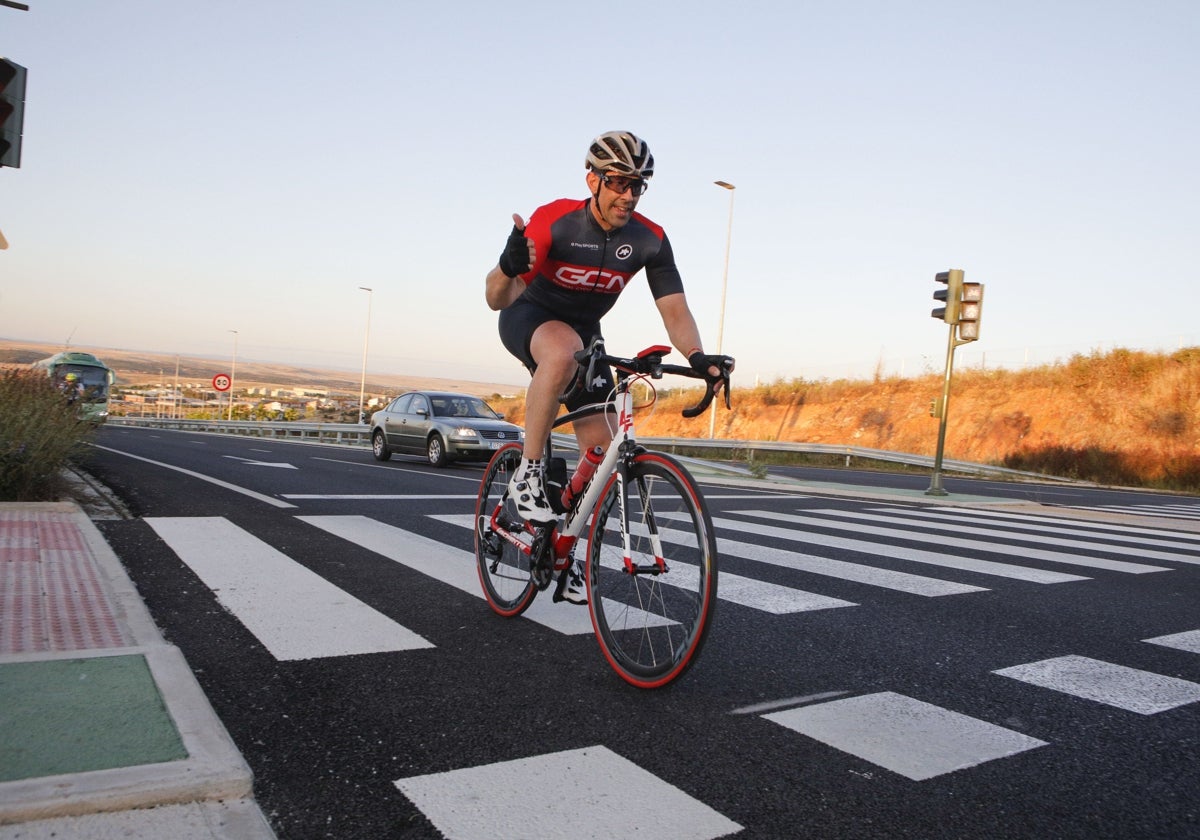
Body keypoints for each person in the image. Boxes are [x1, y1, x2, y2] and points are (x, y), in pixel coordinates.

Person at [485, 130, 733, 603]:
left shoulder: (650, 239)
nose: (628, 195)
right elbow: (498, 298)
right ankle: (528, 472)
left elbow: (675, 311)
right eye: (619, 182)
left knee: (599, 454)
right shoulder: (555, 222)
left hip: (587, 335)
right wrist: (504, 266)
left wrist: (699, 358)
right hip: (530, 317)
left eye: (638, 185)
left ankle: (559, 550)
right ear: (593, 180)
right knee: (561, 351)